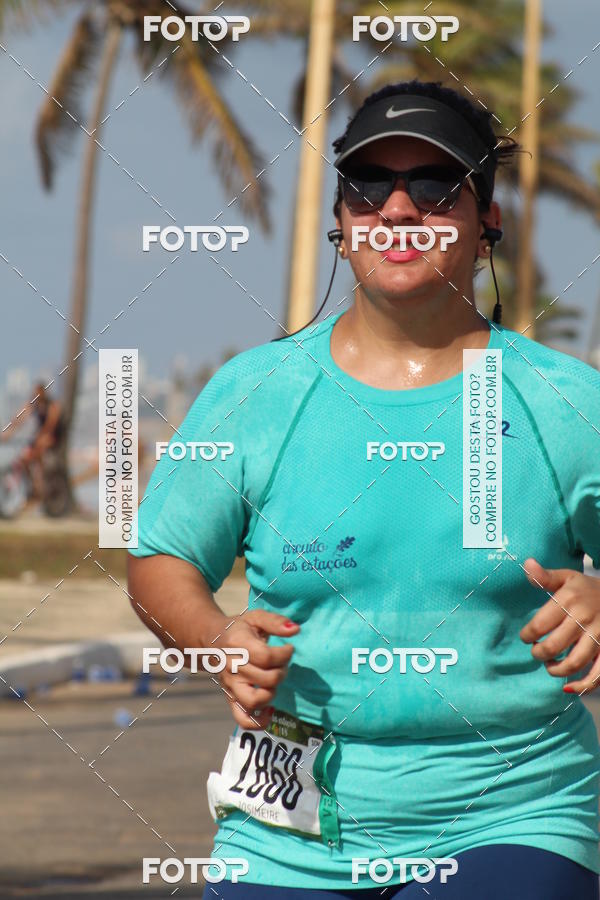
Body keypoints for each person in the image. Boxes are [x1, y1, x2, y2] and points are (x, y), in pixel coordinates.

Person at [127, 80, 600, 898]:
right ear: (342, 225)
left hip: (515, 813)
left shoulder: (564, 402)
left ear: (487, 220)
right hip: (286, 830)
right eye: (369, 186)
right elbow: (161, 559)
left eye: (437, 186)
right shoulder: (254, 392)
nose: (399, 209)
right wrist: (215, 636)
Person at [1, 382, 65, 502]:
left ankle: (42, 485)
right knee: (24, 460)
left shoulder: (52, 405)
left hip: (53, 437)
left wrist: (41, 437)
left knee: (36, 453)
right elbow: (19, 419)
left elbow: (50, 425)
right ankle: (34, 486)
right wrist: (7, 434)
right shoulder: (34, 404)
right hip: (40, 437)